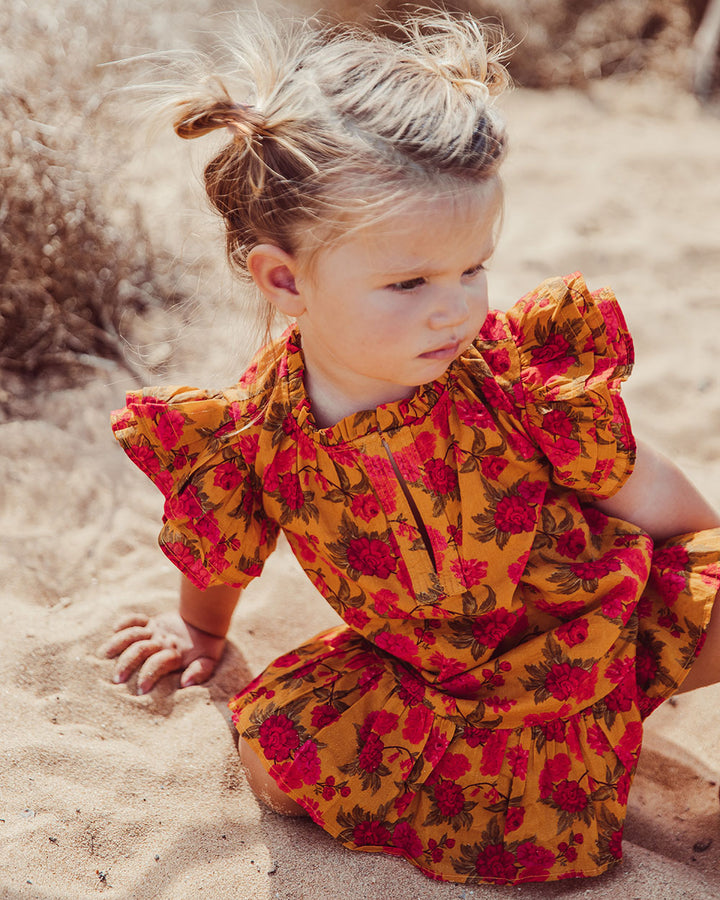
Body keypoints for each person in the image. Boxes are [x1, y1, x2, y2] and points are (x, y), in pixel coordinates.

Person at [103, 9, 720, 885]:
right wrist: (199, 630)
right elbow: (223, 547)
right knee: (276, 753)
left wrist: (703, 559)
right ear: (285, 279)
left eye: (474, 268)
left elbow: (637, 481)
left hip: (590, 612)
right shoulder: (253, 434)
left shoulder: (499, 366)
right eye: (410, 282)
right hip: (434, 683)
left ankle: (604, 706)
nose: (456, 307)